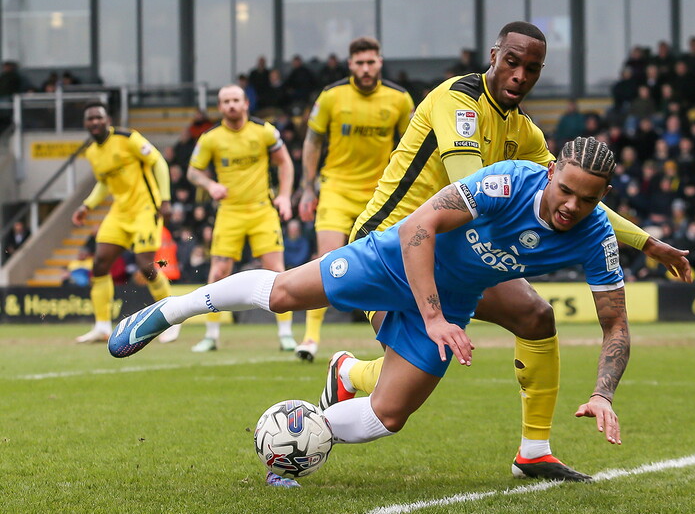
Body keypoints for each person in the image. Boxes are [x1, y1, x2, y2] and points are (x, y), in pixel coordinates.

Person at [111, 140, 634, 486]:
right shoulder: (508, 183)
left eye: (585, 201)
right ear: (550, 173)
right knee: (285, 294)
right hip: (393, 261)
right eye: (564, 190)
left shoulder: (596, 238)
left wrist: (602, 392)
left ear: (602, 198)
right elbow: (416, 230)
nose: (570, 206)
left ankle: (302, 435)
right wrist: (432, 318)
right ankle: (168, 311)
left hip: (451, 302)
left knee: (389, 417)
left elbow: (615, 325)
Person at [317, 22, 690, 482]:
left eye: (531, 68)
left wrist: (647, 242)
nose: (519, 74)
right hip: (392, 243)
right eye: (512, 62)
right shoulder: (458, 101)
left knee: (535, 315)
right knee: (413, 367)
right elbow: (470, 191)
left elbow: (571, 195)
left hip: (459, 251)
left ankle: (534, 451)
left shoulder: (526, 133)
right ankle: (350, 373)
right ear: (494, 56)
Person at [293, 37, 415, 362]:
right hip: (336, 188)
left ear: (380, 62)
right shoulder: (332, 96)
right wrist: (308, 188)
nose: (365, 68)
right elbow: (312, 143)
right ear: (350, 64)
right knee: (327, 260)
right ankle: (309, 338)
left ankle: (392, 338)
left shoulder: (400, 99)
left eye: (371, 62)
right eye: (359, 63)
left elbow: (411, 148)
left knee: (384, 265)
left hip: (381, 194)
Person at [170, 85, 296, 351]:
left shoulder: (264, 131)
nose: (231, 105)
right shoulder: (211, 138)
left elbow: (285, 162)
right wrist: (210, 185)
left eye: (236, 100)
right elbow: (193, 172)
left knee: (277, 271)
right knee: (218, 272)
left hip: (262, 210)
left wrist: (284, 196)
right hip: (229, 212)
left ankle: (286, 334)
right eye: (226, 101)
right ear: (220, 106)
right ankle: (211, 335)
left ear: (246, 103)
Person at [72, 102, 179, 343]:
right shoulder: (92, 152)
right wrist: (86, 205)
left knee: (146, 266)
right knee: (99, 264)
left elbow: (158, 162)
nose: (94, 122)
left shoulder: (128, 138)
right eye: (90, 119)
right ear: (85, 124)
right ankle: (101, 326)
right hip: (119, 212)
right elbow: (104, 183)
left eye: (98, 117)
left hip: (145, 209)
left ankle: (171, 318)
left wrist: (165, 199)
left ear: (107, 119)